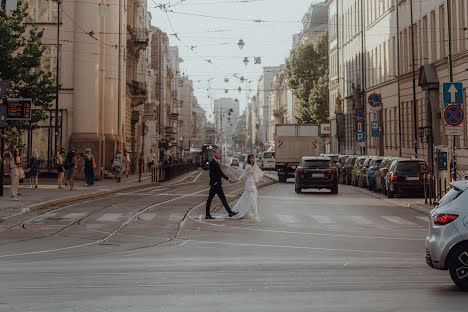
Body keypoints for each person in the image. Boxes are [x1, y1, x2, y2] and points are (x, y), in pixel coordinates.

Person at [205, 148, 238, 220]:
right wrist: (215, 182)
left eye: (219, 153)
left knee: (222, 199)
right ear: (214, 154)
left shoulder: (216, 161)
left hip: (217, 184)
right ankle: (207, 214)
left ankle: (230, 212)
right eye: (218, 153)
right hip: (215, 184)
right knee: (210, 199)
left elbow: (220, 173)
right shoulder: (212, 162)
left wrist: (228, 179)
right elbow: (212, 174)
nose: (219, 154)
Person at [230, 154, 264, 220]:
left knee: (253, 199)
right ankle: (247, 213)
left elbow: (259, 173)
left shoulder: (254, 166)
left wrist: (259, 178)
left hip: (253, 184)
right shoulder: (248, 166)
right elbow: (243, 174)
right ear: (248, 159)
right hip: (249, 184)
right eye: (250, 158)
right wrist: (237, 180)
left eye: (253, 158)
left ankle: (252, 214)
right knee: (249, 199)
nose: (252, 159)